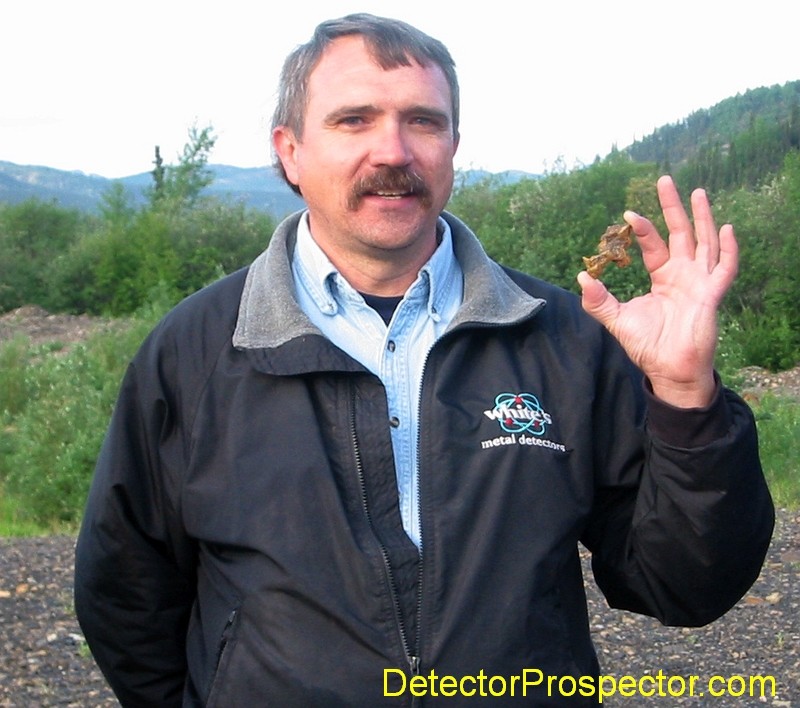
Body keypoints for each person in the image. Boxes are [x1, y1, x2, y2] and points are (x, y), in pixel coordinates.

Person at [74, 13, 774, 707]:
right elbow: (126, 595)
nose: (393, 150)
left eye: (423, 122)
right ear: (289, 151)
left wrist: (686, 396)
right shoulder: (196, 351)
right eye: (353, 120)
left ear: (453, 147)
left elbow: (682, 583)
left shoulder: (562, 338)